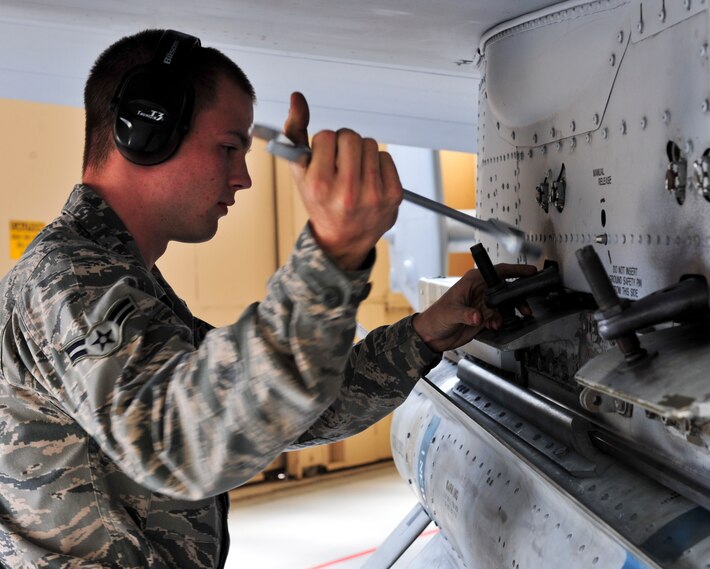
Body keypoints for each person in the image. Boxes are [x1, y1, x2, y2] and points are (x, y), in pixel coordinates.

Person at [0, 29, 534, 568]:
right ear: (146, 129)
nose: (244, 177)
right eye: (229, 148)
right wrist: (330, 255)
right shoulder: (68, 278)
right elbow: (186, 443)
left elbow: (268, 405)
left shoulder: (121, 281)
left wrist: (422, 335)